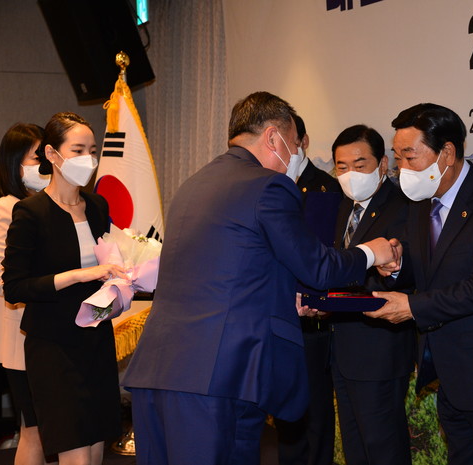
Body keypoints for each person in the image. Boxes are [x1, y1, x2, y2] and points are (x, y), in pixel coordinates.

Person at [122, 91, 399, 465]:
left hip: (158, 371)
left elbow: (232, 274)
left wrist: (285, 298)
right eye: (293, 143)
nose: (295, 154)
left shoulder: (195, 183)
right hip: (219, 378)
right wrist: (372, 252)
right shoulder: (268, 185)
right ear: (272, 137)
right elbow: (317, 267)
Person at [366, 104, 473, 465]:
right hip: (445, 374)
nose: (402, 169)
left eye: (410, 157)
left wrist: (412, 307)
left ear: (447, 153)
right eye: (398, 158)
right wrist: (397, 264)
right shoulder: (421, 204)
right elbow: (426, 267)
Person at [3, 112, 126, 465]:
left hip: (96, 339)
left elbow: (107, 261)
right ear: (52, 154)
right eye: (78, 150)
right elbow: (15, 287)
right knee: (75, 453)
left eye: (93, 150)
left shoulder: (98, 205)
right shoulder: (30, 212)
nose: (89, 158)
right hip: (54, 346)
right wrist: (78, 275)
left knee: (96, 449)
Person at [329, 124, 414, 465]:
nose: (351, 174)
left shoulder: (403, 206)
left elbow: (405, 274)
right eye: (342, 167)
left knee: (383, 448)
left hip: (379, 350)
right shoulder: (343, 207)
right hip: (343, 348)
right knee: (355, 448)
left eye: (360, 164)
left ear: (383, 165)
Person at [0, 123, 55, 465]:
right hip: (22, 338)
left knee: (55, 429)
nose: (45, 165)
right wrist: (58, 282)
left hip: (53, 334)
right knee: (34, 430)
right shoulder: (5, 209)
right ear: (15, 164)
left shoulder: (51, 205)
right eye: (36, 158)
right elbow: (1, 281)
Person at [275, 113, 343, 465]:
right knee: (285, 413)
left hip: (313, 321)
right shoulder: (267, 186)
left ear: (303, 142)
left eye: (291, 142)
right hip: (276, 317)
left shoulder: (327, 189)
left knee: (316, 414)